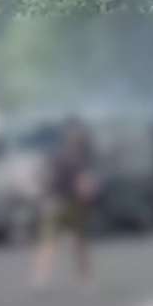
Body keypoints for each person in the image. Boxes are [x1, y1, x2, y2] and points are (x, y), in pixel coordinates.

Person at [32, 117, 98, 288]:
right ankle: (85, 279)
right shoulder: (80, 160)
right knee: (79, 244)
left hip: (53, 203)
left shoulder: (54, 156)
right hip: (72, 204)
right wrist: (90, 199)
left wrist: (43, 198)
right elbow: (85, 186)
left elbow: (43, 178)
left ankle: (41, 279)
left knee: (49, 243)